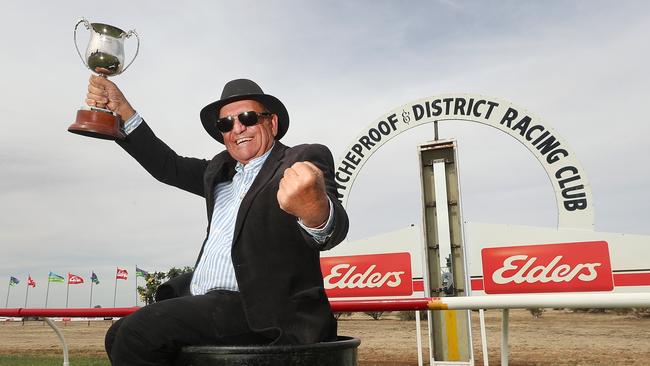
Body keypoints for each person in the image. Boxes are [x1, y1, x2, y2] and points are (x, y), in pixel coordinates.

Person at [85, 76, 349, 365]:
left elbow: (330, 229)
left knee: (138, 333)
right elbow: (167, 166)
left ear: (271, 123)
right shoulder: (218, 172)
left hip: (263, 310)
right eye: (226, 124)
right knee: (118, 334)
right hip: (211, 305)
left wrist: (314, 210)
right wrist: (123, 110)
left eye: (247, 118)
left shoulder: (299, 162)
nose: (237, 129)